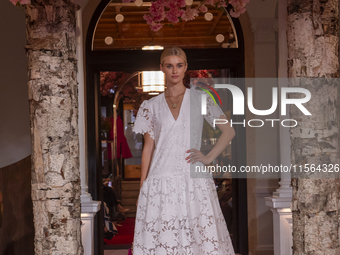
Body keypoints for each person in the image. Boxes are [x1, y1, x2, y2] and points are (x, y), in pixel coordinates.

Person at [132, 46, 236, 254]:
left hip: (194, 179)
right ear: (162, 68)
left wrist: (208, 158)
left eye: (179, 65)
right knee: (163, 240)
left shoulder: (201, 99)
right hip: (160, 180)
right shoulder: (150, 106)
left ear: (186, 67)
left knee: (200, 239)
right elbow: (148, 149)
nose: (174, 70)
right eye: (169, 66)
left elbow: (229, 131)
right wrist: (143, 186)